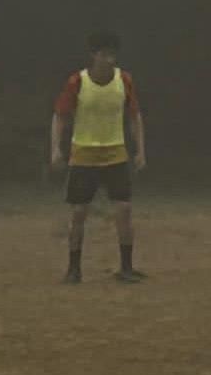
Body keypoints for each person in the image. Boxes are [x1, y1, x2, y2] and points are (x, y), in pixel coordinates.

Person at [47, 30, 147, 285]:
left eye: (112, 55)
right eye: (104, 55)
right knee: (79, 213)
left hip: (115, 153)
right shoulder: (77, 82)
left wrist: (140, 150)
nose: (109, 61)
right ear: (93, 55)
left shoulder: (124, 80)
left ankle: (126, 266)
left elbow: (134, 115)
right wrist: (56, 148)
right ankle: (73, 268)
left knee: (123, 210)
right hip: (84, 155)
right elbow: (60, 115)